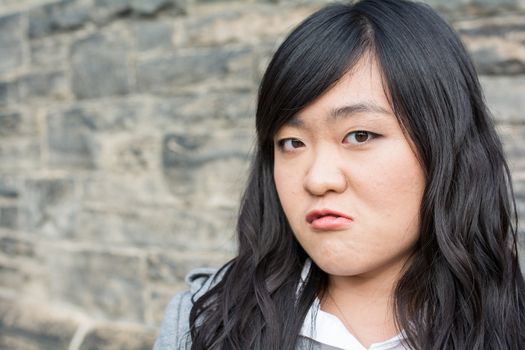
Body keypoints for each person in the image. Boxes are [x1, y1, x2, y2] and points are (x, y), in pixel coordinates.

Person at [154, 0, 525, 349]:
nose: (317, 180)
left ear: (445, 145)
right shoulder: (204, 325)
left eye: (359, 135)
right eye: (292, 142)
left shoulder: (510, 325)